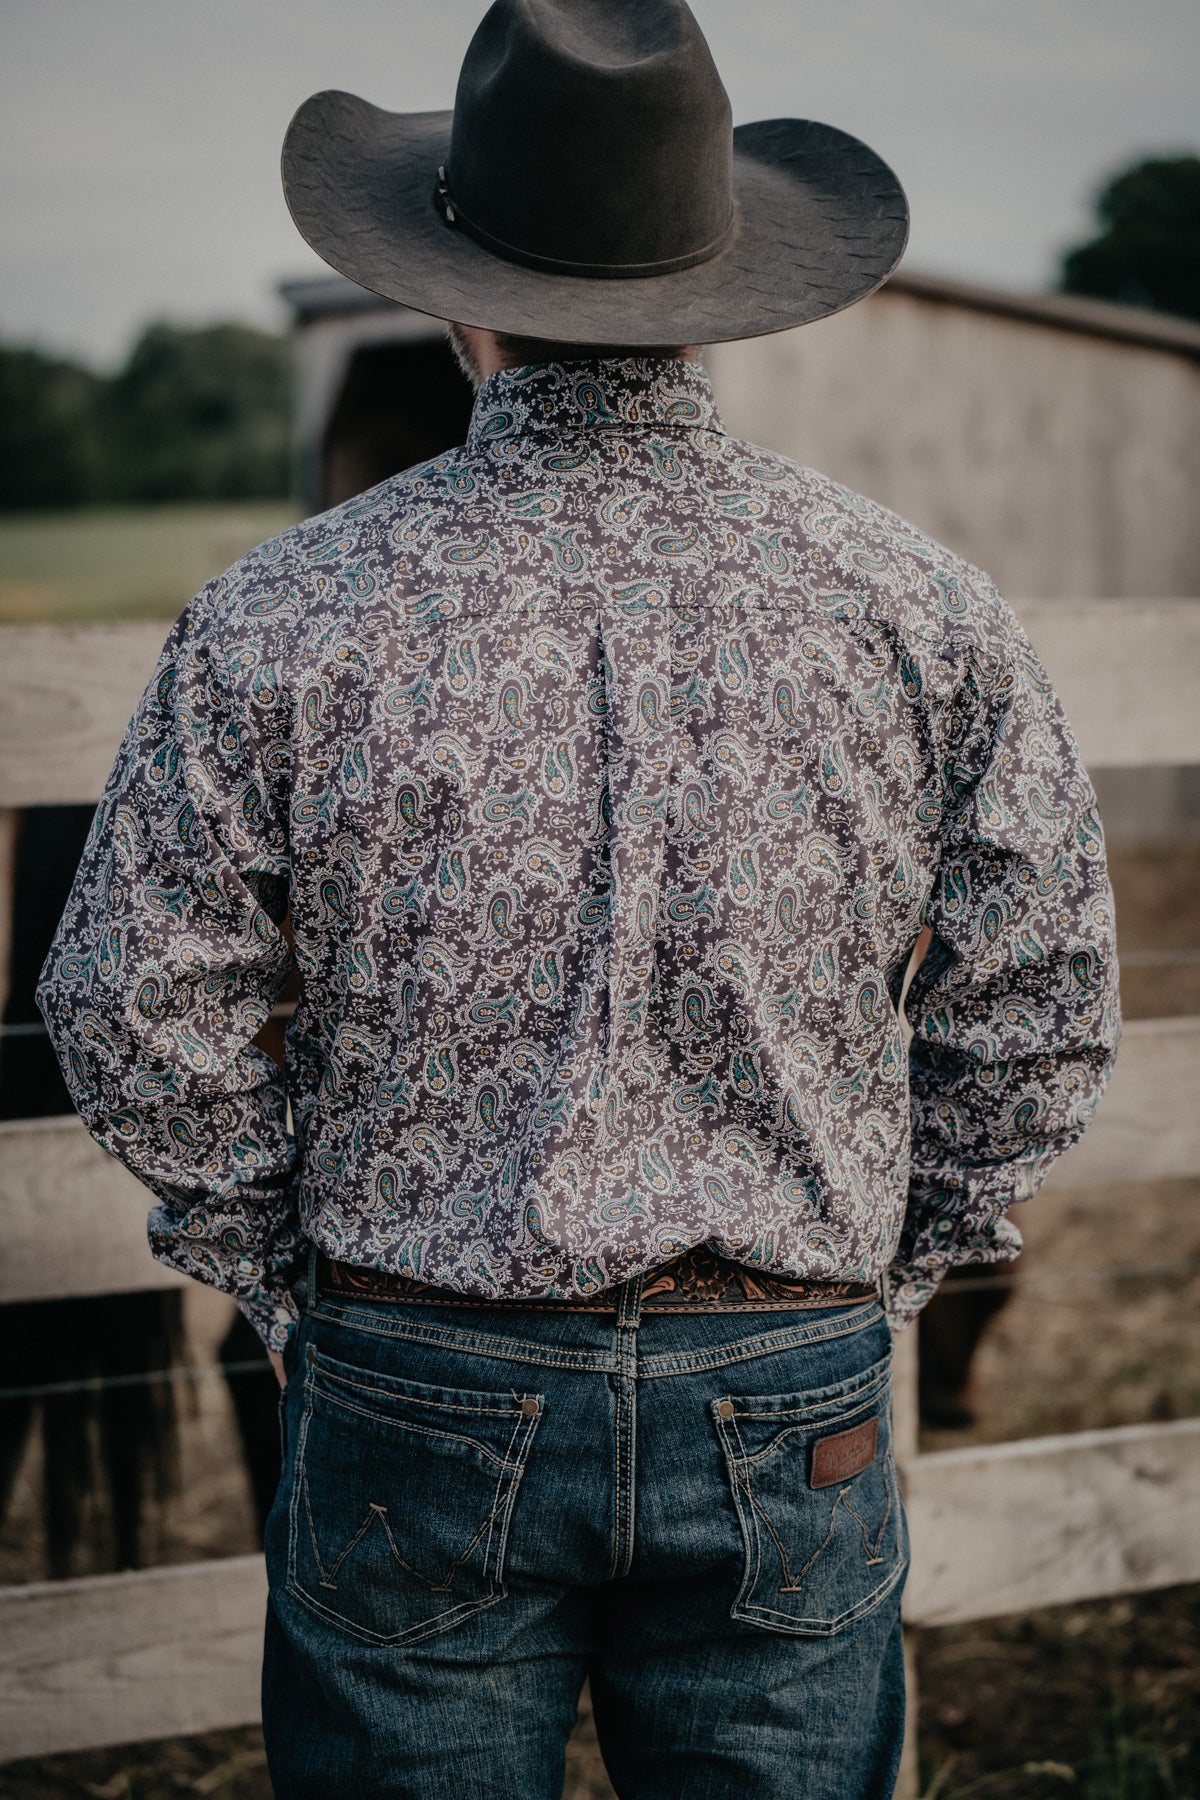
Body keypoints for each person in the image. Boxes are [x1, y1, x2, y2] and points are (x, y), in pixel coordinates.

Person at [37, 2, 1121, 1794]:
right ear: (718, 285)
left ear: (452, 288)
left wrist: (286, 1284)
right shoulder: (919, 606)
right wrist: (890, 1273)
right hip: (790, 1370)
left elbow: (133, 1007)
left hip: (409, 1365)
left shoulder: (288, 610)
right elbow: (1043, 1008)